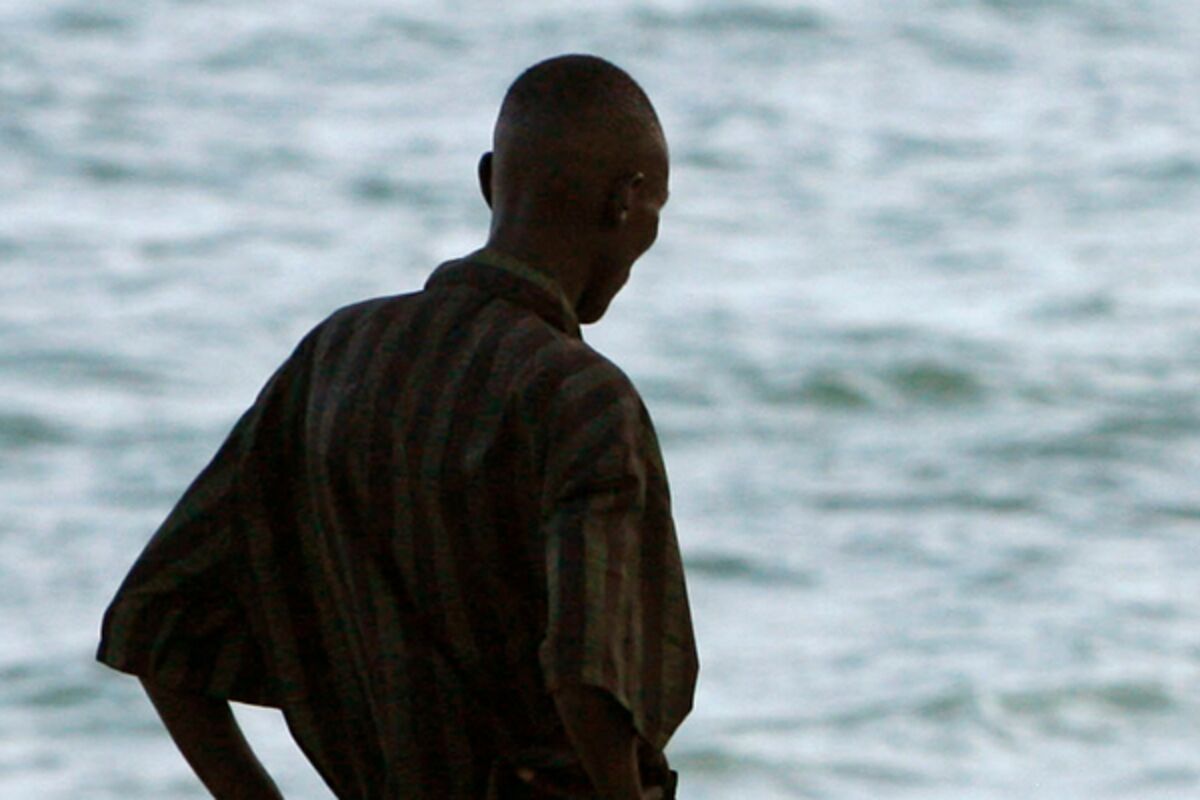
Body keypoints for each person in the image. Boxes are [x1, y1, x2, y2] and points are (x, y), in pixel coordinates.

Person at [97, 53, 698, 800]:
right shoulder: (582, 399)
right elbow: (587, 678)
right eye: (656, 209)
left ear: (491, 181)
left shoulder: (336, 356)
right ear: (626, 201)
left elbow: (156, 624)